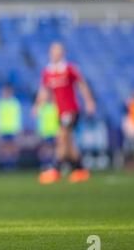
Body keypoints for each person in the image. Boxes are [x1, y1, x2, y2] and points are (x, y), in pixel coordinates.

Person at [33, 42, 96, 184]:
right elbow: (44, 90)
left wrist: (89, 101)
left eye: (57, 51)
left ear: (62, 54)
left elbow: (81, 84)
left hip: (71, 110)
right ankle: (79, 169)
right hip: (60, 112)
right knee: (68, 142)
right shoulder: (48, 72)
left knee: (62, 137)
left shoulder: (69, 69)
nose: (55, 54)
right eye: (53, 51)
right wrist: (38, 106)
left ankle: (56, 169)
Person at [0, 84, 22, 170]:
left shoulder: (15, 103)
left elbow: (18, 116)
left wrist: (18, 128)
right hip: (3, 129)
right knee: (4, 148)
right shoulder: (0, 103)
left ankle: (13, 164)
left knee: (13, 148)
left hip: (13, 129)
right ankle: (5, 165)